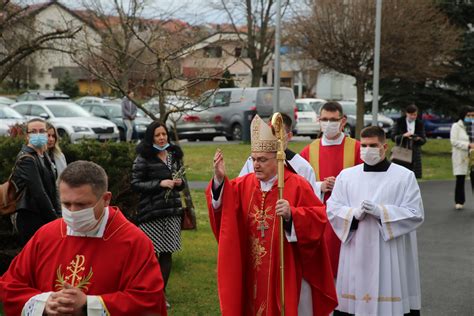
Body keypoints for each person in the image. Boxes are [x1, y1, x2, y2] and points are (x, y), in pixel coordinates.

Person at [206, 114, 337, 315]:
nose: (256, 164)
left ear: (277, 159)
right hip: (250, 266)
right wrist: (218, 180)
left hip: (284, 266)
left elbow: (318, 219)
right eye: (254, 159)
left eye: (262, 160)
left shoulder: (296, 184)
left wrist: (292, 216)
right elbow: (223, 213)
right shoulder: (243, 184)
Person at [0, 161, 167, 315]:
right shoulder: (47, 235)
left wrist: (88, 305)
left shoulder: (133, 242)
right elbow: (11, 285)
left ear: (106, 199)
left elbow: (148, 300)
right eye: (66, 204)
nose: (72, 212)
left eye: (81, 205)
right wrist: (45, 303)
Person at [327, 126, 423, 316]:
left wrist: (382, 212)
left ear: (384, 146)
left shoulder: (404, 176)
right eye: (364, 145)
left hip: (389, 251)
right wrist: (354, 214)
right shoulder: (346, 176)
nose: (367, 149)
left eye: (373, 145)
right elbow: (333, 209)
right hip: (356, 249)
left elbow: (415, 213)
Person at [300, 101, 362, 278]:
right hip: (321, 216)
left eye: (333, 120)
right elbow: (299, 185)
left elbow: (368, 181)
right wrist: (320, 186)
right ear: (319, 120)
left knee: (349, 268)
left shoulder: (357, 148)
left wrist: (342, 186)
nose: (328, 124)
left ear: (343, 121)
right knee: (325, 268)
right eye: (324, 119)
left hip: (349, 217)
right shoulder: (308, 151)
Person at [131, 121, 185, 308]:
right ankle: (148, 292)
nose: (162, 138)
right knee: (151, 254)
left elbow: (182, 181)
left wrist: (179, 183)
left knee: (167, 252)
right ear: (150, 137)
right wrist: (159, 184)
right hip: (151, 212)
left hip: (171, 210)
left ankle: (161, 294)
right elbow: (135, 184)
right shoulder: (144, 157)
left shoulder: (173, 155)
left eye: (164, 134)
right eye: (157, 135)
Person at [239, 113, 319, 194]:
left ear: (289, 136)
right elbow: (240, 189)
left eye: (278, 133)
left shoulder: (303, 167)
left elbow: (312, 202)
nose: (273, 137)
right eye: (271, 132)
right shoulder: (251, 161)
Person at [12, 118, 60, 245]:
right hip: (31, 217)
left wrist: (59, 213)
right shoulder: (26, 158)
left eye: (42, 131)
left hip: (44, 215)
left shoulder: (44, 156)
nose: (38, 134)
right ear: (27, 136)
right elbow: (39, 192)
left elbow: (53, 189)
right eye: (33, 131)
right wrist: (55, 219)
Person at [391, 104, 427, 179]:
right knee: (400, 175)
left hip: (415, 153)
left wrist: (417, 138)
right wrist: (403, 136)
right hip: (401, 152)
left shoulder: (419, 123)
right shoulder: (399, 122)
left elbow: (423, 140)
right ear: (407, 113)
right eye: (411, 114)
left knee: (412, 177)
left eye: (415, 114)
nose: (413, 116)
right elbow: (393, 137)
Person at [450, 106, 474, 210]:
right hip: (461, 156)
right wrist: (468, 145)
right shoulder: (456, 126)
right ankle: (459, 201)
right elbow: (453, 141)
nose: (470, 117)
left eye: (472, 115)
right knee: (460, 179)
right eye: (468, 115)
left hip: (473, 156)